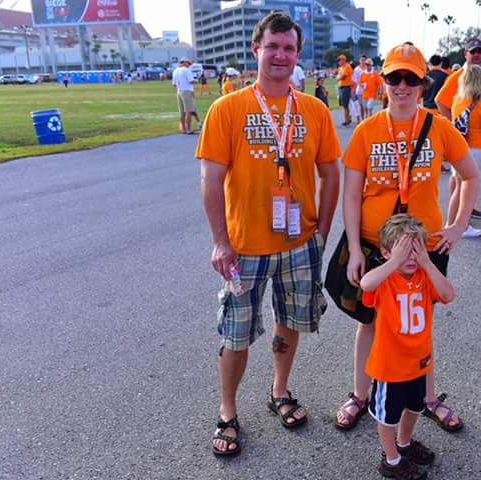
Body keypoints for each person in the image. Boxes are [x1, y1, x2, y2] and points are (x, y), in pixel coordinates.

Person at [195, 11, 341, 456]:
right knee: (236, 334)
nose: (281, 55)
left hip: (299, 243)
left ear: (298, 54)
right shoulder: (228, 108)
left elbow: (330, 173)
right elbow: (210, 181)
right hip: (244, 248)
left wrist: (321, 232)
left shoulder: (314, 110)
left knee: (290, 322)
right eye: (272, 47)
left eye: (289, 48)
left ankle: (280, 390)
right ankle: (227, 410)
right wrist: (220, 241)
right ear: (256, 49)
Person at [334, 42, 479, 435]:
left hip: (425, 248)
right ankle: (360, 395)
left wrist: (457, 226)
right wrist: (354, 249)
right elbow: (351, 195)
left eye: (410, 79)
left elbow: (470, 176)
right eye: (394, 77)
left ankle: (427, 398)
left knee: (420, 323)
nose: (401, 86)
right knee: (369, 321)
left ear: (422, 85)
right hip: (374, 245)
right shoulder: (367, 131)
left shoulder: (439, 127)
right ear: (383, 82)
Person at [360, 214, 456, 480]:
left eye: (416, 250)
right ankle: (391, 459)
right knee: (388, 417)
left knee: (415, 408)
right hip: (390, 367)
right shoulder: (384, 280)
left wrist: (427, 261)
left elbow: (448, 294)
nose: (411, 257)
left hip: (419, 362)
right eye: (405, 251)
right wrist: (394, 261)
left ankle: (404, 443)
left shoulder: (425, 276)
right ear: (386, 252)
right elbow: (366, 283)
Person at [435, 37, 481, 221]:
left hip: (476, 134)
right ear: (465, 54)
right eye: (473, 51)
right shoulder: (459, 75)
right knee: (461, 179)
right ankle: (460, 213)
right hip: (467, 138)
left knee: (461, 177)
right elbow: (440, 100)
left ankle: (464, 209)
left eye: (479, 51)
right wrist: (454, 126)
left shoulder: (480, 74)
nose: (477, 54)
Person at [446, 64, 481, 239]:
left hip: (459, 147)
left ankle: (451, 223)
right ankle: (462, 225)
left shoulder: (457, 101)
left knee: (458, 188)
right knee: (468, 189)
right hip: (475, 148)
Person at [172, 57, 198, 134]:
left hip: (179, 91)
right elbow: (191, 81)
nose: (189, 65)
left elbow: (174, 84)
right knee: (188, 111)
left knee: (182, 112)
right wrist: (197, 80)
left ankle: (183, 129)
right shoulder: (186, 70)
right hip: (186, 91)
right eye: (188, 63)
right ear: (184, 62)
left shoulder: (175, 71)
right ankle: (188, 129)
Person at [337, 54, 354, 126]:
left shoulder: (347, 66)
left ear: (344, 60)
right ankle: (348, 119)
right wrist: (338, 77)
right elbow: (338, 76)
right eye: (338, 60)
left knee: (345, 105)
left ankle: (347, 120)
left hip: (346, 87)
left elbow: (343, 77)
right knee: (343, 104)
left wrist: (338, 78)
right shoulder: (340, 68)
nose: (339, 62)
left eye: (340, 60)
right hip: (341, 87)